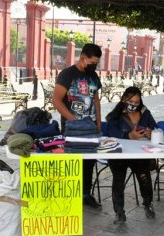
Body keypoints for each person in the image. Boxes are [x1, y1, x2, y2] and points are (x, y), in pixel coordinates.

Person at [53, 43, 103, 208]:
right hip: (72, 128)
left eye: (97, 63)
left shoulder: (94, 76)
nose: (94, 66)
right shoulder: (67, 75)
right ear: (83, 58)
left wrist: (99, 124)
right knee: (72, 161)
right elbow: (56, 101)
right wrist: (73, 120)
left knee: (89, 162)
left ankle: (85, 194)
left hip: (91, 128)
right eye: (92, 62)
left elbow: (96, 101)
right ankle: (70, 196)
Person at [106, 86, 158, 225]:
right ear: (124, 99)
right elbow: (112, 134)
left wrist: (150, 133)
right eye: (131, 101)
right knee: (118, 179)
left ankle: (148, 204)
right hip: (119, 155)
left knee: (144, 177)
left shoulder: (145, 113)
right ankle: (119, 212)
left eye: (136, 102)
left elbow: (156, 128)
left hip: (139, 154)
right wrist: (129, 135)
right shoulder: (115, 115)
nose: (133, 105)